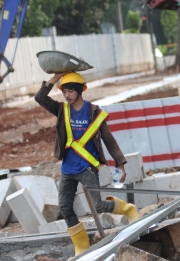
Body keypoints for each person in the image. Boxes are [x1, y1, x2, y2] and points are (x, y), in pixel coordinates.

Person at [34, 71, 138, 258]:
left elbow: (109, 140)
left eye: (70, 91)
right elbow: (40, 97)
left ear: (80, 90)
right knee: (65, 207)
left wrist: (120, 164)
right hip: (67, 168)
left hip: (87, 167)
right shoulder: (61, 109)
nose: (66, 95)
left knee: (97, 206)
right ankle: (81, 245)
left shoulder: (94, 113)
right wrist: (57, 76)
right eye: (64, 92)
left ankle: (128, 209)